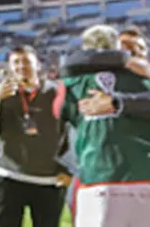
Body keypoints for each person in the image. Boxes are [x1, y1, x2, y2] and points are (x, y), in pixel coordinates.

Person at [58, 24, 150, 226]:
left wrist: (118, 102)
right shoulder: (74, 84)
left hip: (101, 181)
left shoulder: (72, 84)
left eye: (136, 52)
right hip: (105, 176)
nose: (131, 58)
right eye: (126, 52)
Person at [0, 45, 72, 227]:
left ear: (38, 65)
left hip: (49, 180)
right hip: (8, 176)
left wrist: (69, 168)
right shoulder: (3, 93)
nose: (21, 66)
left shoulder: (57, 92)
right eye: (16, 62)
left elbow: (73, 130)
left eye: (26, 61)